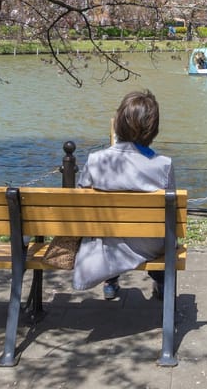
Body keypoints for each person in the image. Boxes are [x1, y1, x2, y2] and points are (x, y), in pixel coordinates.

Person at [74, 90, 175, 300]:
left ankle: (110, 281)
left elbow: (80, 199)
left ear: (118, 122)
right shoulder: (163, 165)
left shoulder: (95, 160)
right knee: (159, 233)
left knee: (112, 231)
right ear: (153, 127)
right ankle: (162, 281)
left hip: (107, 242)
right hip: (149, 244)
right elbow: (171, 211)